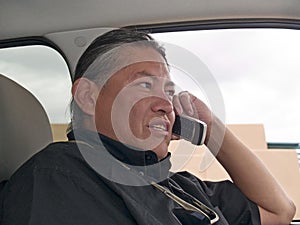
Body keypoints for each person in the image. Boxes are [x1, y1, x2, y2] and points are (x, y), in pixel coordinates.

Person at [0, 28, 295, 225]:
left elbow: (280, 211)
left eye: (168, 92)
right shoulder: (59, 177)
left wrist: (211, 127)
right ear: (89, 97)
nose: (166, 105)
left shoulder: (180, 185)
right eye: (144, 84)